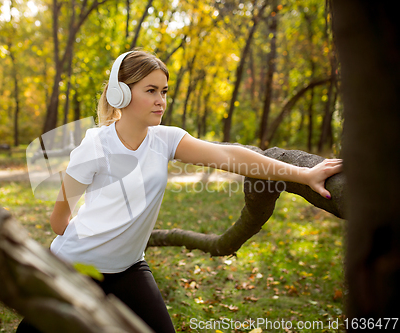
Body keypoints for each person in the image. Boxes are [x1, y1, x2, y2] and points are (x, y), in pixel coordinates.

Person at [17, 50, 342, 332]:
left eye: (164, 91)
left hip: (129, 267)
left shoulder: (166, 139)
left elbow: (229, 156)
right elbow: (59, 222)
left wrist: (303, 174)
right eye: (151, 91)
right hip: (77, 267)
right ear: (121, 95)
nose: (161, 100)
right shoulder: (94, 147)